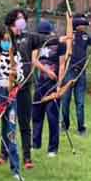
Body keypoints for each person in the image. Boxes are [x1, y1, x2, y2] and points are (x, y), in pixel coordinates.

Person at [4, 9, 48, 169]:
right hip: (9, 86)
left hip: (24, 86)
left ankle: (27, 157)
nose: (21, 20)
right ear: (11, 21)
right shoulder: (5, 37)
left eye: (23, 18)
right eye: (18, 18)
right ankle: (5, 153)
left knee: (24, 121)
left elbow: (47, 39)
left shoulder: (29, 37)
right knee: (8, 121)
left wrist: (64, 38)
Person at [0, 23, 22, 181]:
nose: (6, 43)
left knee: (11, 130)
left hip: (11, 95)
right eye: (3, 40)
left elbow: (21, 77)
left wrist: (16, 74)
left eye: (8, 40)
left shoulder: (16, 56)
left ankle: (15, 167)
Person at [32, 20, 66, 158]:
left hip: (53, 85)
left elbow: (62, 64)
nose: (44, 37)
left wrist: (59, 82)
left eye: (46, 34)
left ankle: (53, 148)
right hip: (40, 84)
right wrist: (45, 69)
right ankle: (35, 143)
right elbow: (34, 60)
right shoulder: (36, 44)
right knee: (36, 115)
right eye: (41, 34)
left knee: (53, 116)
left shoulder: (60, 44)